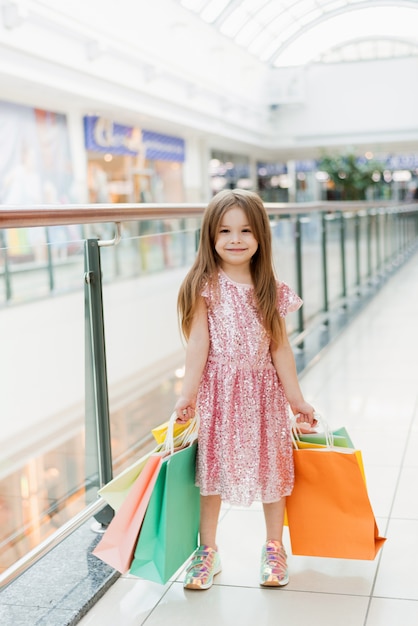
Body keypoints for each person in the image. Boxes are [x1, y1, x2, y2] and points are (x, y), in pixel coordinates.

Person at [174, 189, 316, 591]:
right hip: (218, 391)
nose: (235, 239)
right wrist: (187, 393)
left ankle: (274, 546)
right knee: (212, 472)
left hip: (264, 390)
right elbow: (198, 342)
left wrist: (296, 399)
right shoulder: (205, 284)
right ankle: (208, 551)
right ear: (210, 236)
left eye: (245, 231)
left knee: (273, 466)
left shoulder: (270, 285)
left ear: (260, 237)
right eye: (225, 231)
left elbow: (280, 347)